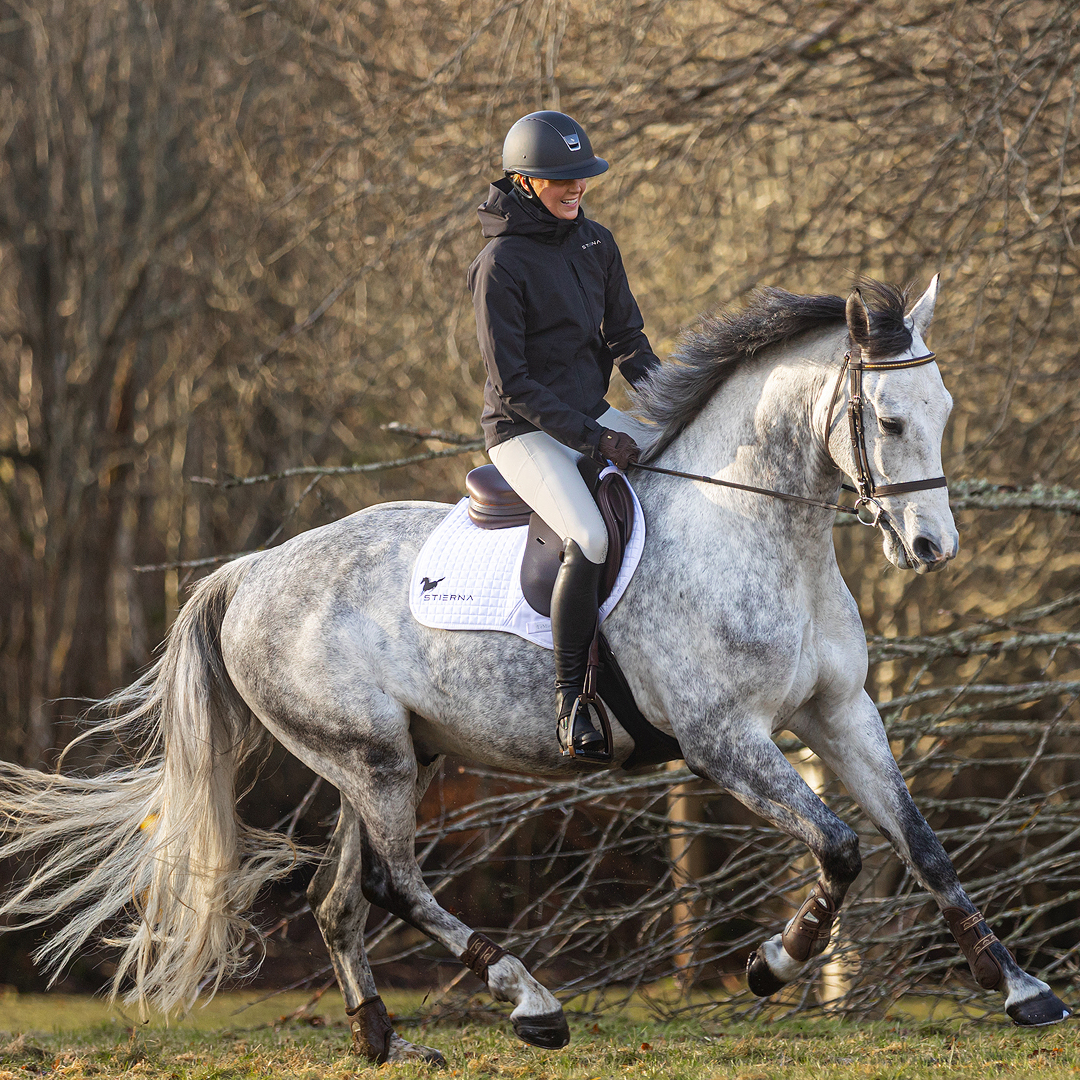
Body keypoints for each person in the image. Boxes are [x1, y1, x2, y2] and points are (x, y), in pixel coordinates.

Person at [467, 110, 662, 761]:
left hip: (590, 415)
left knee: (683, 470)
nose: (575, 188)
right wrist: (594, 438)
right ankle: (573, 698)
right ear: (524, 182)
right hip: (524, 431)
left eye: (581, 177)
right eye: (560, 180)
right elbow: (514, 384)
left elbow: (627, 341)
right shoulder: (499, 265)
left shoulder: (596, 244)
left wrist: (671, 408)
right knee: (593, 535)